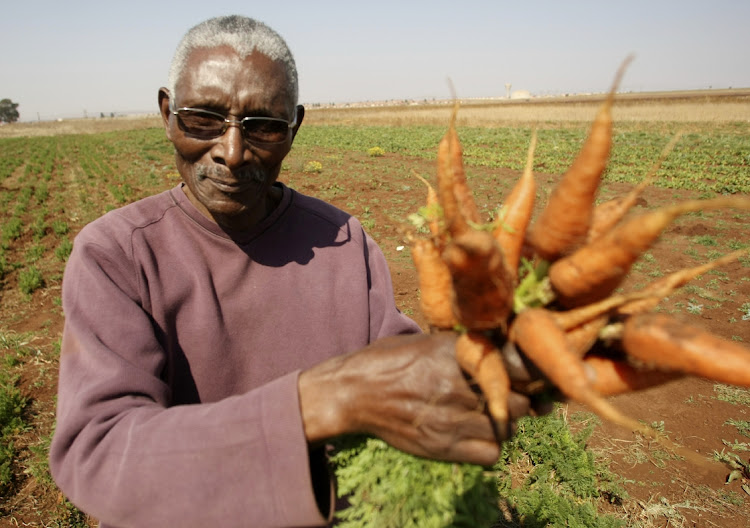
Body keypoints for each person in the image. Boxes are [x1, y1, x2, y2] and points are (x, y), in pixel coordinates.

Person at [50, 15, 540, 528]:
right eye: (203, 120)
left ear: (295, 127)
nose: (233, 153)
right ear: (168, 113)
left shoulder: (344, 241)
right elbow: (101, 454)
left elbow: (402, 371)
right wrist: (321, 401)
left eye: (263, 126)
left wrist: (475, 366)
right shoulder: (116, 254)